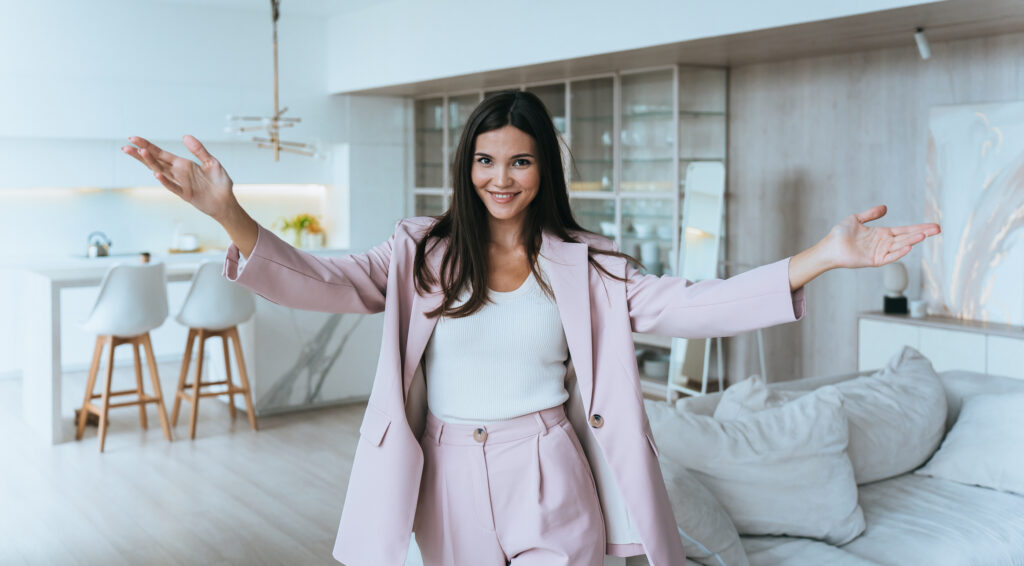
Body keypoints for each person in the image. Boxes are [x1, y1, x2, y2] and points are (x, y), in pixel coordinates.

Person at [123, 90, 940, 566]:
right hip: (445, 475)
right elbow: (321, 283)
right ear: (465, 168)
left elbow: (695, 302)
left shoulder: (589, 264)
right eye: (484, 160)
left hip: (548, 466)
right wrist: (230, 214)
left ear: (542, 166)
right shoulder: (420, 253)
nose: (499, 177)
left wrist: (820, 258)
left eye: (518, 160)